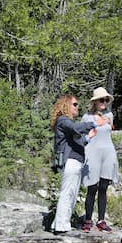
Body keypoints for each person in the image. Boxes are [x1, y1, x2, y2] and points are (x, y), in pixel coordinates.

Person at [51, 94, 108, 234]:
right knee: (68, 193)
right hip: (70, 162)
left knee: (72, 193)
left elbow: (78, 141)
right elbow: (76, 128)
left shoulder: (67, 123)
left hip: (75, 162)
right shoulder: (63, 120)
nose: (77, 107)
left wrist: (89, 137)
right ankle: (61, 226)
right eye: (74, 104)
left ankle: (58, 223)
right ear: (66, 106)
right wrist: (95, 123)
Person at [81, 87, 119, 233]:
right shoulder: (87, 117)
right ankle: (88, 219)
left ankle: (101, 220)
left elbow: (109, 129)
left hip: (108, 151)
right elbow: (83, 135)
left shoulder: (109, 115)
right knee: (92, 187)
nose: (104, 102)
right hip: (93, 152)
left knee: (104, 186)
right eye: (101, 100)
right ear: (95, 101)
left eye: (106, 100)